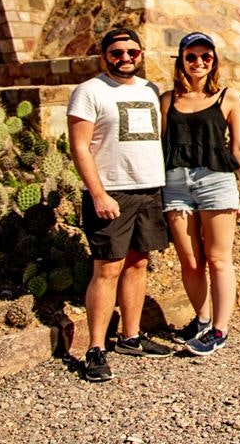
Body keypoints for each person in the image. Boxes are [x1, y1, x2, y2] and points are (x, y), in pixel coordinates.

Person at [67, 27, 174, 383]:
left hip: (149, 189)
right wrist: (98, 193)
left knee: (139, 263)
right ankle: (95, 347)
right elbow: (80, 146)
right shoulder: (89, 91)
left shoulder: (150, 90)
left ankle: (131, 336)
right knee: (107, 268)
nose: (125, 58)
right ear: (104, 56)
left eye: (132, 52)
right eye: (117, 53)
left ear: (140, 54)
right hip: (113, 191)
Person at [160, 31, 240, 355]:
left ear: (214, 61)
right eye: (191, 56)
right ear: (181, 61)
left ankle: (220, 329)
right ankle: (202, 320)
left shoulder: (229, 97)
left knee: (218, 259)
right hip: (175, 183)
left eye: (206, 56)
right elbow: (160, 146)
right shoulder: (167, 99)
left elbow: (239, 147)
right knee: (190, 260)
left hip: (216, 181)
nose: (199, 62)